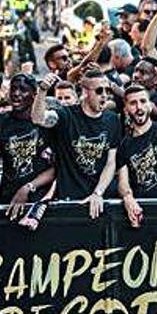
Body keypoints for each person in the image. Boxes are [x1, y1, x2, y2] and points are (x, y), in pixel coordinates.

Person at [32, 70, 121, 219]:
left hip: (100, 200)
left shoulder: (112, 120)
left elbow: (110, 163)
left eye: (107, 90)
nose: (104, 95)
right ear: (85, 92)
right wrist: (42, 91)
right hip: (69, 200)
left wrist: (98, 193)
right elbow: (38, 119)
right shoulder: (66, 115)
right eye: (99, 90)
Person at [0, 74, 55, 219]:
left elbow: (56, 167)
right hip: (8, 202)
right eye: (13, 89)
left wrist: (28, 188)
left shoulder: (45, 121)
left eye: (23, 90)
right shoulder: (0, 121)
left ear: (34, 94)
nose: (16, 94)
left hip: (39, 205)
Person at [117, 78, 157, 226]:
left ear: (149, 105)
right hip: (144, 212)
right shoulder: (124, 145)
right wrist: (128, 199)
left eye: (142, 101)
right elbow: (123, 182)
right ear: (126, 109)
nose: (139, 107)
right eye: (133, 103)